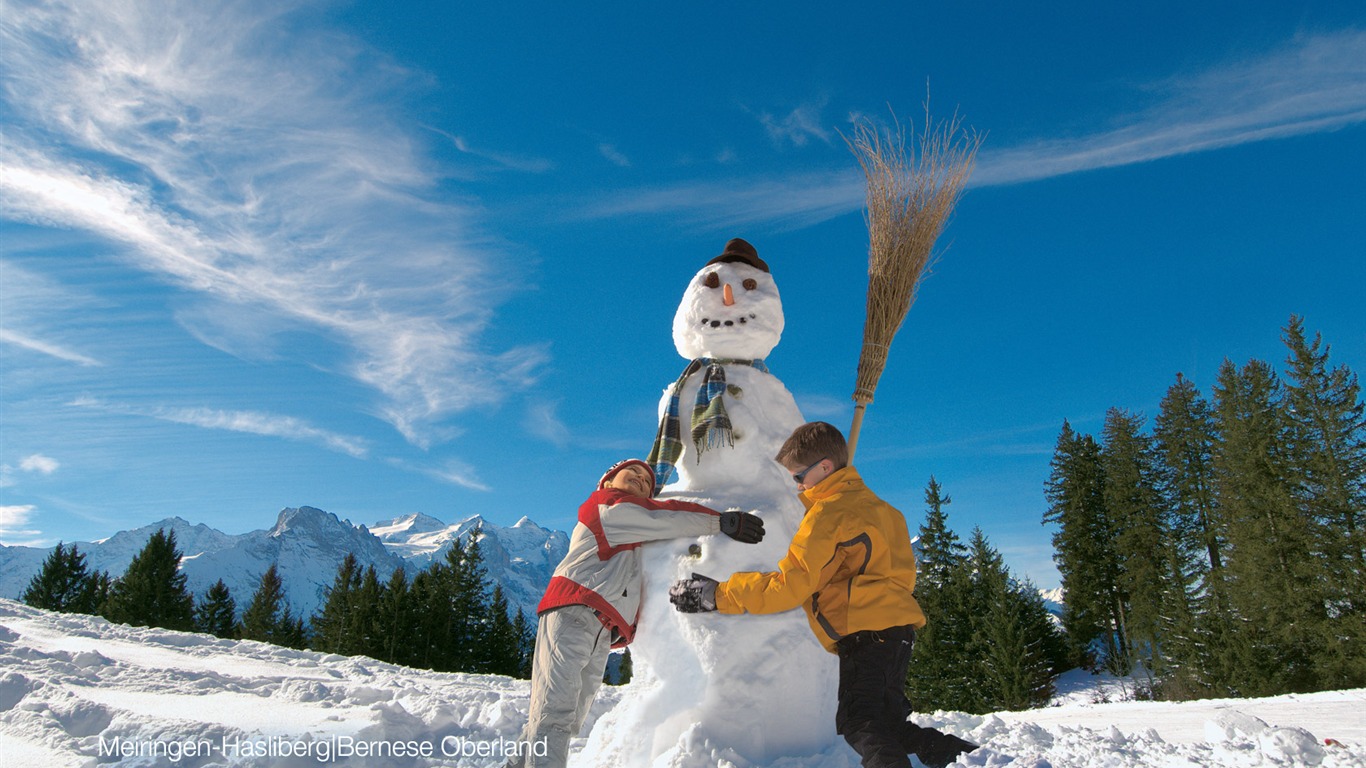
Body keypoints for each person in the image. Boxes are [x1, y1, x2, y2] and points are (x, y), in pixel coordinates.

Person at [669, 423, 978, 768]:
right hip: (898, 632)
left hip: (866, 634)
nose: (797, 485)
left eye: (799, 477)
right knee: (889, 725)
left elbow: (790, 587)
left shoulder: (827, 517)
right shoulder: (887, 511)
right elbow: (899, 576)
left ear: (826, 467)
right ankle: (977, 760)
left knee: (859, 722)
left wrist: (720, 594)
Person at [509, 458, 765, 768]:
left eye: (647, 482)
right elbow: (663, 516)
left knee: (565, 715)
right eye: (632, 473)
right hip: (573, 613)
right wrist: (720, 521)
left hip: (599, 626)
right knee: (556, 714)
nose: (642, 480)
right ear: (607, 482)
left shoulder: (629, 532)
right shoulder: (607, 507)